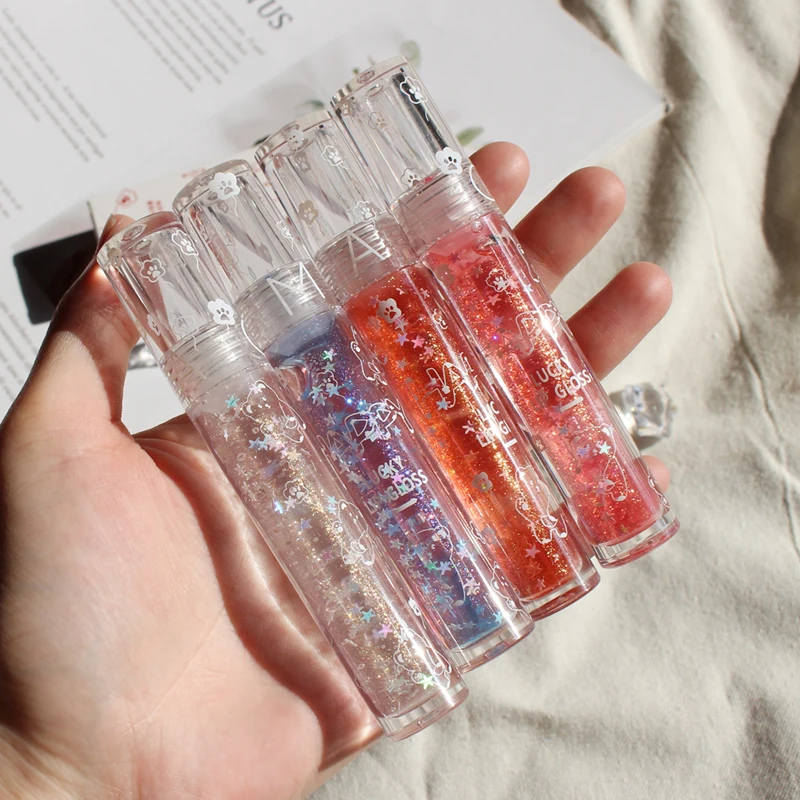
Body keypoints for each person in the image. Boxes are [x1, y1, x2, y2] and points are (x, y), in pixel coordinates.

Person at [0, 143, 672, 798]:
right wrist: (47, 770)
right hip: (267, 391)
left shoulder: (338, 315)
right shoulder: (265, 363)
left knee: (426, 449)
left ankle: (537, 575)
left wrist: (49, 775)